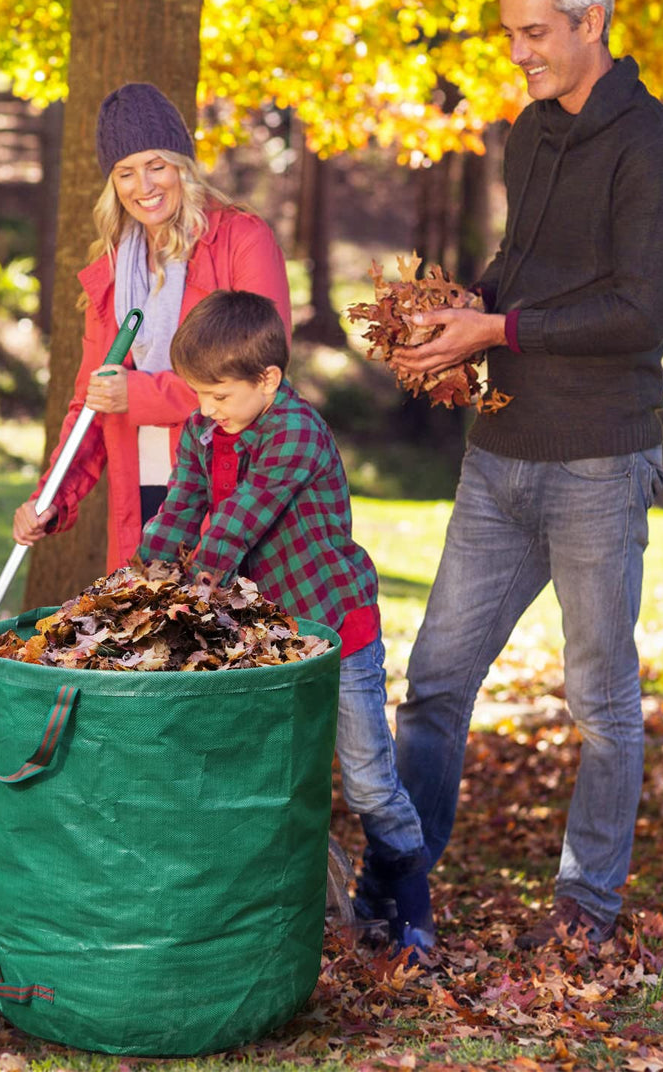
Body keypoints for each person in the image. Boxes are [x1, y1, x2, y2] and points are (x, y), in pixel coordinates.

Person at [384, 0, 663, 950]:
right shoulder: (530, 134)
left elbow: (637, 312)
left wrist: (498, 329)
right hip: (500, 455)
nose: (518, 52)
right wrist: (457, 316)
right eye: (510, 32)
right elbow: (523, 267)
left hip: (600, 462)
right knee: (435, 681)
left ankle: (587, 907)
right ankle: (401, 893)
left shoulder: (654, 147)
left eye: (534, 33)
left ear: (590, 22)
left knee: (600, 699)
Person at [134, 289, 436, 958]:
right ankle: (295, 907)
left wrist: (200, 585)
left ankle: (410, 906)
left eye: (219, 396)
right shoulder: (204, 430)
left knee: (367, 783)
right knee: (276, 773)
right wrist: (143, 581)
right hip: (270, 639)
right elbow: (182, 508)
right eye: (198, 396)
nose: (206, 410)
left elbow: (244, 515)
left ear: (267, 380)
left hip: (337, 628)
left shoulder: (294, 430)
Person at [13, 82, 292, 570]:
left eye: (156, 166)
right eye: (125, 173)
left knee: (223, 637)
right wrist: (52, 497)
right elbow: (92, 398)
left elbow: (261, 372)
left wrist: (138, 395)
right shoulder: (116, 269)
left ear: (181, 164)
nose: (143, 187)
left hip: (232, 486)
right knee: (149, 635)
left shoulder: (241, 240)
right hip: (144, 486)